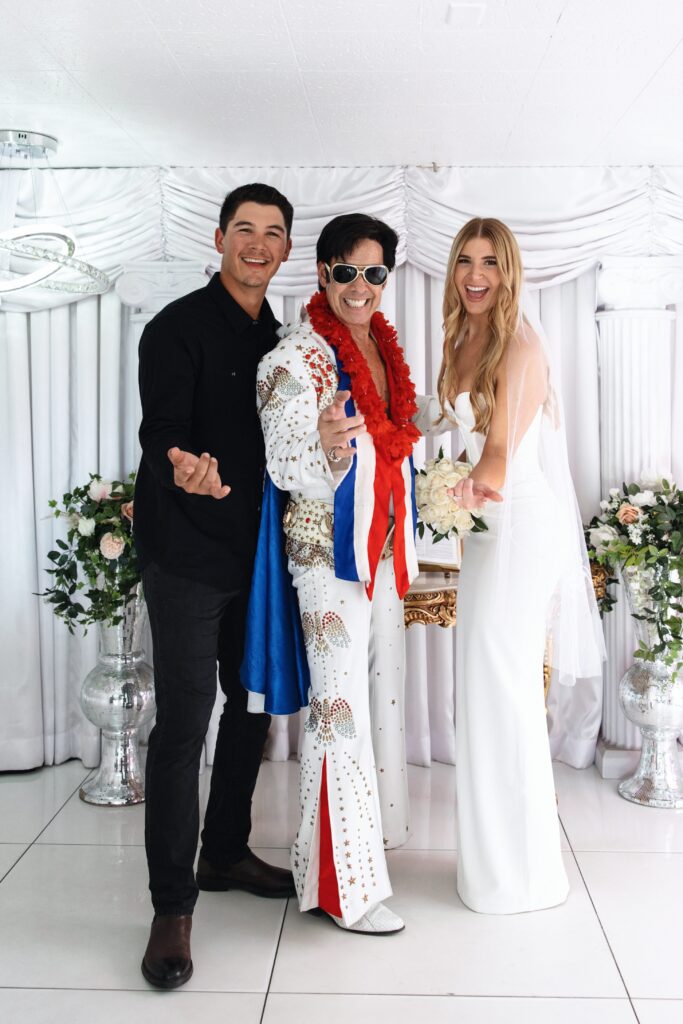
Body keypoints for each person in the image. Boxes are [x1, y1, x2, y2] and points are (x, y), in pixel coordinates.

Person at [249, 213, 436, 934]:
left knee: (357, 707)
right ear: (321, 273)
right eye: (346, 272)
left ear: (388, 278)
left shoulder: (381, 349)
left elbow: (393, 447)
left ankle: (333, 868)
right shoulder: (294, 359)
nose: (361, 287)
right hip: (326, 561)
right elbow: (283, 465)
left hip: (377, 553)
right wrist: (325, 448)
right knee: (338, 713)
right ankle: (343, 889)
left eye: (375, 273)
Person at [134, 183, 296, 989]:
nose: (257, 245)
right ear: (220, 236)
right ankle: (172, 905)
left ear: (286, 249)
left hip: (258, 560)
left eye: (272, 233)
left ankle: (225, 850)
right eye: (245, 230)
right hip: (188, 558)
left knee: (253, 705)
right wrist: (186, 469)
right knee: (183, 727)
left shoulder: (286, 337)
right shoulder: (176, 328)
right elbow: (160, 430)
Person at [432, 217, 604, 913]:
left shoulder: (519, 343)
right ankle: (489, 864)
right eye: (466, 261)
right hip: (483, 525)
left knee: (501, 687)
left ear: (509, 272)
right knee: (480, 684)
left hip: (518, 523)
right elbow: (444, 418)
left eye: (490, 263)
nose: (476, 275)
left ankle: (520, 876)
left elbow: (499, 452)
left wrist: (465, 487)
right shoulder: (460, 333)